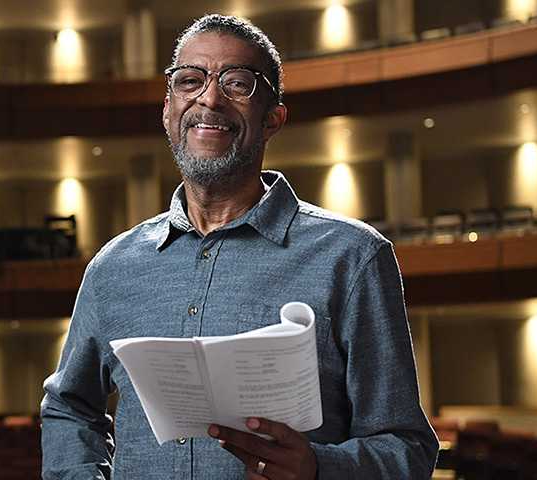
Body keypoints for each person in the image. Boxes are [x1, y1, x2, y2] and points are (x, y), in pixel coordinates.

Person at [41, 14, 439, 480]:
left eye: (237, 84)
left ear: (273, 119)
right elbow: (68, 407)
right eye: (190, 80)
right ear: (168, 110)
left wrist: (318, 469)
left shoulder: (352, 258)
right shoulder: (113, 266)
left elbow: (406, 448)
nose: (209, 98)